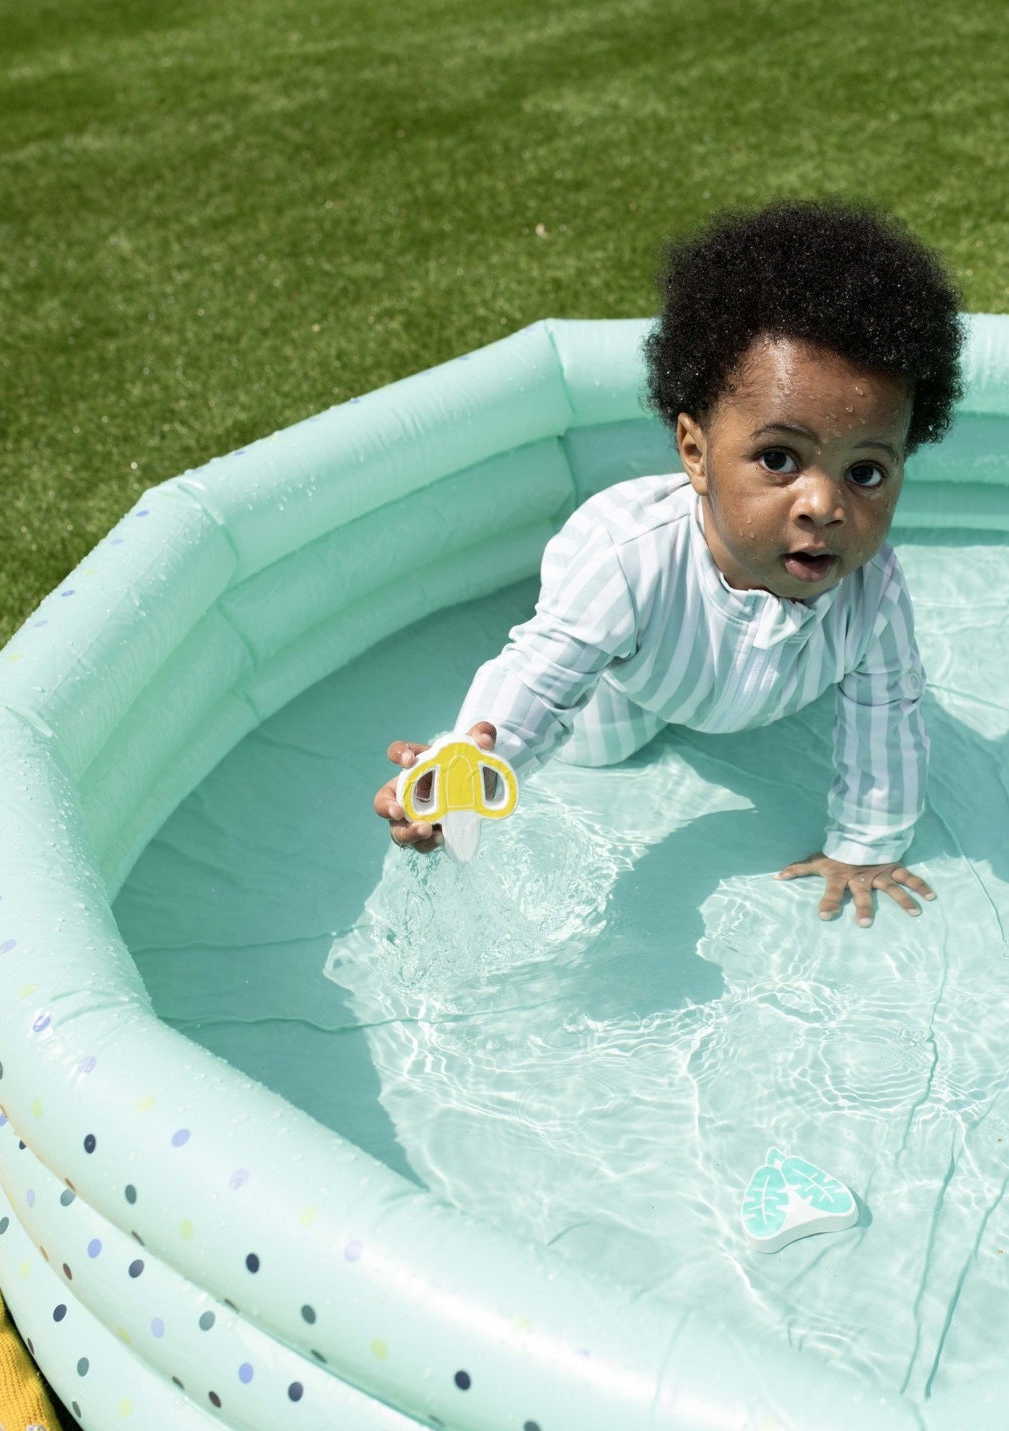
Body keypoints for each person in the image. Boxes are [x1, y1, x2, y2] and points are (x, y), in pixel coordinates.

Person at [373, 198, 965, 926]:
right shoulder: (627, 559)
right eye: (778, 459)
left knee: (823, 699)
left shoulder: (871, 588)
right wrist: (455, 778)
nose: (823, 504)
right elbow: (539, 683)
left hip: (769, 692)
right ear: (694, 451)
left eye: (866, 471)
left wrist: (866, 845)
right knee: (601, 747)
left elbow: (887, 714)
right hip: (635, 684)